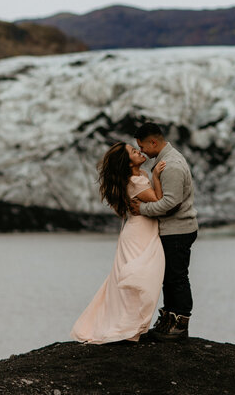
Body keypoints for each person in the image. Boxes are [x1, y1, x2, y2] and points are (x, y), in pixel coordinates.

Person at [70, 142, 166, 344]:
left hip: (140, 230)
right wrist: (156, 176)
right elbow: (158, 198)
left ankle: (131, 325)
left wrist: (151, 177)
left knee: (137, 277)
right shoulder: (135, 181)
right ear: (127, 162)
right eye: (133, 151)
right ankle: (129, 327)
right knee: (140, 275)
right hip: (139, 233)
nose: (139, 152)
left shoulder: (138, 177)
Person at [131, 122, 198, 341]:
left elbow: (171, 203)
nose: (141, 151)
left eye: (142, 147)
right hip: (172, 230)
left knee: (176, 277)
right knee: (169, 277)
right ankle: (169, 320)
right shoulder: (164, 162)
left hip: (178, 230)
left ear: (153, 142)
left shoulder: (172, 165)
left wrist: (142, 209)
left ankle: (180, 324)